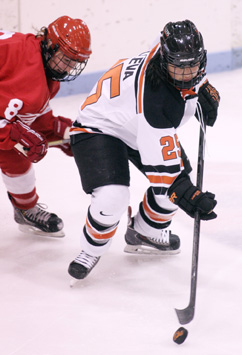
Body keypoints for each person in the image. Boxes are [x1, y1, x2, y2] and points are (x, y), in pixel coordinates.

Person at [68, 19, 220, 280]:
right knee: (114, 198)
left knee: (177, 179)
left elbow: (188, 68)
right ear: (164, 60)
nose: (187, 74)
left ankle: (144, 232)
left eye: (193, 66)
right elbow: (167, 177)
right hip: (99, 128)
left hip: (131, 121)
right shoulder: (155, 100)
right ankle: (91, 249)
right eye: (179, 69)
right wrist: (189, 197)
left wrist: (201, 86)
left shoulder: (171, 57)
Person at [0, 16, 92, 237]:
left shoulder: (46, 74)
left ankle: (26, 210)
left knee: (14, 156)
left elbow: (29, 114)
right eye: (66, 59)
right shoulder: (12, 52)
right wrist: (12, 131)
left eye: (75, 63)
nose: (69, 68)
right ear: (50, 46)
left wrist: (55, 130)